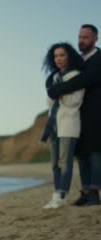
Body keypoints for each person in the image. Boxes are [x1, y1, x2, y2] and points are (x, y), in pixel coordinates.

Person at [47, 24, 101, 206]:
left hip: (95, 111)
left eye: (86, 37)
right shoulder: (78, 60)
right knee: (81, 153)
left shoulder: (99, 58)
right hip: (77, 114)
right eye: (79, 37)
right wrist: (51, 83)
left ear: (95, 38)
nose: (81, 40)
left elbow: (87, 79)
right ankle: (86, 191)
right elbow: (61, 74)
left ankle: (94, 193)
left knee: (94, 153)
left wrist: (58, 89)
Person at [41, 42, 85, 209]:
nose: (58, 59)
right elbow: (49, 102)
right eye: (56, 56)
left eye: (62, 55)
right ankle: (56, 195)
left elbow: (74, 101)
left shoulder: (76, 76)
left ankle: (62, 195)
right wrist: (57, 93)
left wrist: (58, 92)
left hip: (68, 123)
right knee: (54, 163)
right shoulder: (53, 77)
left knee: (64, 162)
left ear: (69, 57)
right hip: (53, 125)